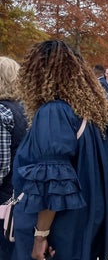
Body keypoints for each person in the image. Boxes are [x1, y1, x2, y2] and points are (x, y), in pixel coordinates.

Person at [12, 40, 108, 260]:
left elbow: (53, 182)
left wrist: (40, 236)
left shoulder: (54, 112)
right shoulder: (99, 109)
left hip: (62, 224)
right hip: (94, 213)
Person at [0, 57, 27, 259]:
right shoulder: (27, 110)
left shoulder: (2, 112)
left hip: (4, 198)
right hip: (22, 197)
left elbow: (1, 166)